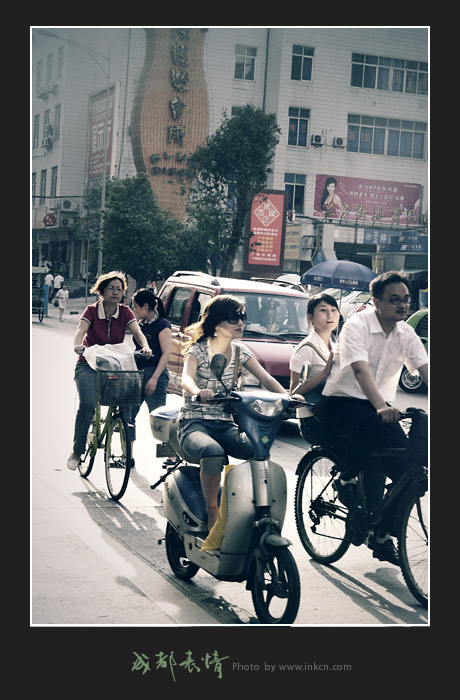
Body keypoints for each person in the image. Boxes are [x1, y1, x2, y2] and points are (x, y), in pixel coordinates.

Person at [316, 271, 428, 565]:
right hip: (341, 402)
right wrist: (380, 405)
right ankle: (346, 477)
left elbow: (427, 369)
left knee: (411, 473)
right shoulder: (357, 325)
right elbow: (360, 370)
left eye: (406, 300)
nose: (402, 305)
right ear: (376, 301)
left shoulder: (406, 333)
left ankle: (382, 535)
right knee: (367, 421)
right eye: (394, 300)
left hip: (380, 410)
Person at [178, 294, 288, 531]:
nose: (240, 322)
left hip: (225, 423)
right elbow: (186, 378)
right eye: (233, 318)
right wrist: (198, 391)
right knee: (213, 451)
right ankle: (211, 512)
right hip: (194, 423)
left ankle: (254, 507)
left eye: (242, 317)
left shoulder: (240, 351)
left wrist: (287, 398)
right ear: (217, 323)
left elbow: (267, 379)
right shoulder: (197, 351)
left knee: (259, 449)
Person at [66, 271, 152, 471]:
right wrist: (78, 345)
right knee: (87, 404)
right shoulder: (91, 310)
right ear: (102, 291)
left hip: (114, 365)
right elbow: (80, 332)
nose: (116, 292)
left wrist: (145, 346)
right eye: (111, 288)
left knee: (128, 398)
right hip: (88, 363)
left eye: (119, 289)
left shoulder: (125, 312)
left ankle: (122, 434)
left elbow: (138, 333)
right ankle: (77, 451)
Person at [289, 293, 340, 446]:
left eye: (333, 310)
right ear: (310, 317)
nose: (329, 315)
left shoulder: (336, 345)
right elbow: (294, 391)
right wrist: (325, 372)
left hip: (333, 414)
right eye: (323, 310)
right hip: (313, 419)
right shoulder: (306, 348)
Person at [129, 289, 172, 462]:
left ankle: (170, 458)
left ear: (146, 306)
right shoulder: (140, 324)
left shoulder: (162, 324)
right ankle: (128, 456)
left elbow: (166, 354)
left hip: (156, 374)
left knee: (159, 419)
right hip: (137, 373)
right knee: (129, 416)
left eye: (136, 307)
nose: (134, 311)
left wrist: (154, 379)